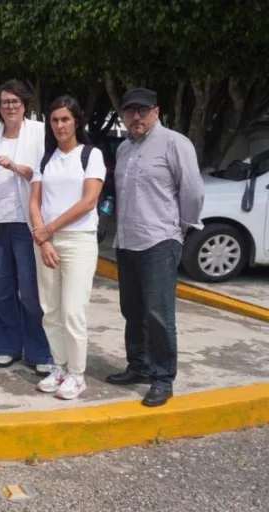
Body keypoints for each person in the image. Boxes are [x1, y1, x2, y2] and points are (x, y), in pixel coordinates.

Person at [106, 88, 204, 407]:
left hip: (159, 242)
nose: (136, 116)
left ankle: (162, 378)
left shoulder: (175, 143)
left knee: (159, 314)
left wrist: (181, 228)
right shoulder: (124, 148)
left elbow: (193, 191)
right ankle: (138, 366)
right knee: (133, 310)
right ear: (123, 115)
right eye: (129, 111)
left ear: (156, 112)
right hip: (127, 242)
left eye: (142, 110)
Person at [29, 95, 106, 400]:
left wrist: (48, 230)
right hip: (46, 242)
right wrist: (44, 239)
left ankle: (77, 373)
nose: (60, 125)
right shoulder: (45, 159)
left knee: (73, 311)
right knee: (51, 310)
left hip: (78, 241)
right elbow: (34, 202)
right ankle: (59, 367)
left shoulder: (91, 155)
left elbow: (89, 202)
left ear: (76, 122)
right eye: (55, 120)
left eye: (65, 119)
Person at [0, 79, 52, 374]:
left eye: (15, 102)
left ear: (25, 105)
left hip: (27, 222)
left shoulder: (40, 132)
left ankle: (39, 350)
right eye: (5, 102)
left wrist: (15, 167)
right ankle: (7, 346)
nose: (10, 107)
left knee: (31, 291)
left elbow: (46, 173)